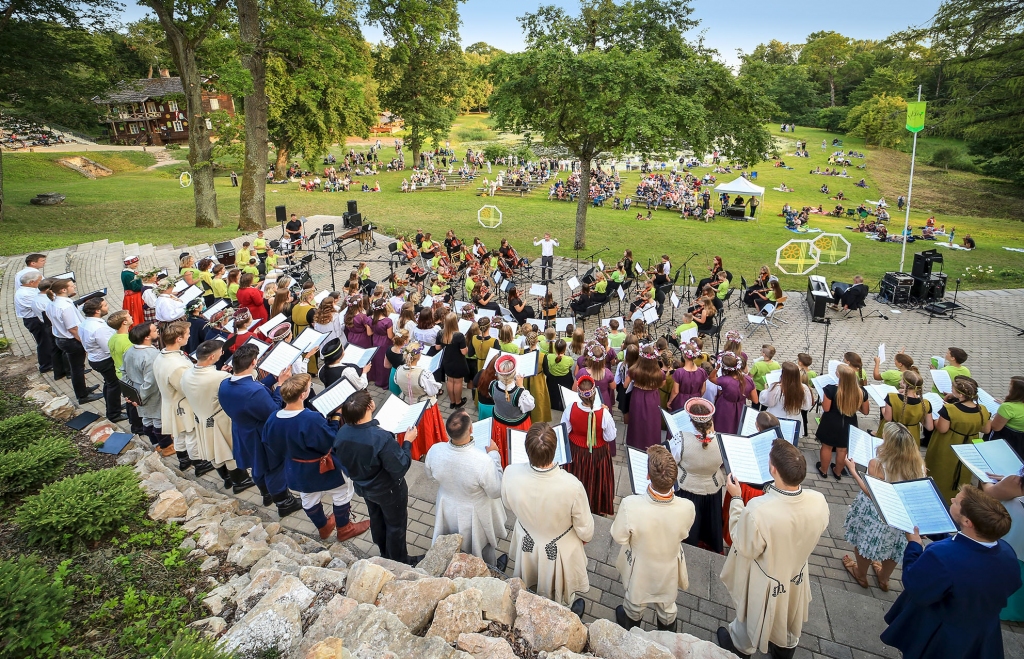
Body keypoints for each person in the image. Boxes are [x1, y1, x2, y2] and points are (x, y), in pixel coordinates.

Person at [716, 440, 830, 659]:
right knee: (788, 617)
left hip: (765, 578)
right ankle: (785, 648)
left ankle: (741, 648)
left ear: (773, 469)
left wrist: (737, 498)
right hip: (796, 574)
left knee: (751, 617)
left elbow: (745, 545)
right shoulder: (819, 500)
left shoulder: (759, 510)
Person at [881, 485, 1020, 658]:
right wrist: (938, 534)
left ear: (968, 521)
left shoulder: (940, 555)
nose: (952, 500)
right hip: (978, 631)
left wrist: (914, 545)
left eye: (957, 501)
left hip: (940, 634)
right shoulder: (1007, 551)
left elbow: (914, 585)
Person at [262, 374, 371, 541]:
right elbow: (330, 439)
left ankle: (323, 527)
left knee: (308, 498)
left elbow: (269, 443)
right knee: (342, 493)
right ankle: (344, 528)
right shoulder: (310, 418)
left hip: (296, 468)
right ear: (303, 395)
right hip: (324, 467)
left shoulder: (272, 418)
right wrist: (336, 417)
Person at [500, 423, 593, 615]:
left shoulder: (510, 472)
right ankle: (564, 611)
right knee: (560, 592)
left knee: (528, 583)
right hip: (558, 548)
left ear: (527, 451)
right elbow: (586, 531)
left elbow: (508, 504)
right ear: (555, 450)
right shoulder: (572, 486)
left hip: (527, 539)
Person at [611, 444, 695, 631]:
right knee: (667, 606)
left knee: (634, 603)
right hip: (668, 565)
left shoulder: (630, 504)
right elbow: (684, 532)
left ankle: (632, 630)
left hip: (640, 566)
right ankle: (666, 636)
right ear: (674, 478)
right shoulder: (688, 506)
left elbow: (619, 537)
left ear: (648, 476)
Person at [335, 389, 422, 566]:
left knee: (376, 518)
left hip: (364, 487)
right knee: (396, 525)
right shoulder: (380, 438)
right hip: (388, 490)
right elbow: (400, 467)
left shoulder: (342, 432)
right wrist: (407, 442)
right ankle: (399, 560)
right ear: (369, 406)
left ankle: (383, 550)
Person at [219, 344, 303, 516]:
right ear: (253, 363)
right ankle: (284, 503)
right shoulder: (254, 391)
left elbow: (253, 391)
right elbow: (274, 412)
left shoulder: (225, 384)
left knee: (257, 467)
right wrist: (280, 386)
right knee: (273, 468)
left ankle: (266, 494)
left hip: (242, 431)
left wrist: (272, 379)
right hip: (261, 434)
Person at [842, 423, 926, 591]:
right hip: (901, 515)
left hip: (877, 513)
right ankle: (884, 579)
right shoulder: (919, 466)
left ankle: (860, 573)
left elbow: (870, 492)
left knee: (864, 541)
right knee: (895, 547)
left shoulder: (878, 464)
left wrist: (853, 470)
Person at [423, 409, 507, 563]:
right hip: (475, 511)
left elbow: (430, 475)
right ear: (471, 429)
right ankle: (490, 570)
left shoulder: (435, 450)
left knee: (451, 541)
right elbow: (495, 491)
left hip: (447, 506)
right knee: (482, 546)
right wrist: (495, 455)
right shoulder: (483, 461)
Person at [668, 399, 726, 553]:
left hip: (687, 487)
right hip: (712, 488)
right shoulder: (721, 440)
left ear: (691, 420)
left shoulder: (681, 438)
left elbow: (672, 460)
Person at [927, 377, 992, 503]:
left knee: (941, 471)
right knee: (963, 473)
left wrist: (935, 420)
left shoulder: (950, 409)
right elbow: (986, 430)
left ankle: (938, 497)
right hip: (969, 448)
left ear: (960, 394)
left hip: (947, 445)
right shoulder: (982, 409)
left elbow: (942, 429)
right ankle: (957, 498)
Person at [561, 374, 617, 516]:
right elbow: (610, 436)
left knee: (577, 477)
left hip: (576, 452)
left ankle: (574, 506)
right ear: (594, 393)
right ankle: (595, 506)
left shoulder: (570, 408)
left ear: (579, 395)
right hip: (598, 454)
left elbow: (564, 431)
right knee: (596, 481)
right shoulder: (604, 413)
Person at [153, 321, 203, 474]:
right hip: (183, 404)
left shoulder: (162, 355)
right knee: (191, 434)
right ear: (178, 339)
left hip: (171, 401)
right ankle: (199, 464)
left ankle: (183, 460)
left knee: (179, 434)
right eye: (187, 334)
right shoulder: (177, 366)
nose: (189, 336)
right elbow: (187, 388)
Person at [178, 340, 229, 481]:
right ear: (212, 357)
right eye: (220, 352)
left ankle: (226, 479)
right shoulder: (220, 377)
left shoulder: (186, 374)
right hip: (220, 419)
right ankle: (239, 480)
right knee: (227, 451)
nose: (222, 353)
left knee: (211, 451)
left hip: (200, 418)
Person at [46, 279, 101, 404]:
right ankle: (82, 395)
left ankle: (84, 389)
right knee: (77, 368)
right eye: (71, 285)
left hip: (61, 338)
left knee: (77, 367)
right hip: (71, 340)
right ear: (63, 290)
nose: (74, 286)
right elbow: (73, 328)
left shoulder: (53, 303)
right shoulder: (65, 306)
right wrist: (84, 342)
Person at [123, 322, 173, 454]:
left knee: (146, 418)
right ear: (146, 337)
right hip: (150, 393)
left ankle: (155, 443)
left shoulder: (129, 350)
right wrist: (140, 398)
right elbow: (150, 382)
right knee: (158, 419)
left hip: (136, 389)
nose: (157, 330)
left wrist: (131, 393)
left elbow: (124, 372)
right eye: (153, 330)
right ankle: (166, 445)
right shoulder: (152, 355)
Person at [395, 342, 448, 460]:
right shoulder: (424, 373)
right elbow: (432, 391)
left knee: (410, 429)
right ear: (418, 356)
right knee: (426, 431)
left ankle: (414, 451)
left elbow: (397, 382)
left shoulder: (399, 370)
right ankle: (428, 451)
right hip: (424, 408)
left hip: (406, 406)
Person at [816, 364, 869, 481]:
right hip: (849, 422)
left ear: (839, 375)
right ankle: (838, 472)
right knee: (843, 449)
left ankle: (823, 470)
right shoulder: (861, 391)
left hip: (831, 422)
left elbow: (826, 408)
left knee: (827, 447)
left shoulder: (831, 389)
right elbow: (865, 411)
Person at [79, 297, 124, 422]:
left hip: (95, 358)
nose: (107, 306)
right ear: (97, 311)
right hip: (105, 360)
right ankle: (114, 414)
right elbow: (109, 348)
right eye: (105, 305)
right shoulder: (99, 328)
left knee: (109, 384)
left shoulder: (87, 322)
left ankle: (114, 407)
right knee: (114, 386)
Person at [490, 354, 535, 466]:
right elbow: (530, 406)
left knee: (502, 448)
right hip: (517, 427)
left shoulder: (492, 385)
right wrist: (521, 386)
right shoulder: (520, 393)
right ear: (514, 374)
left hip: (499, 425)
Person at [625, 345, 666, 450]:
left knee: (636, 420)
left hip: (637, 396)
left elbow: (625, 385)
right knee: (652, 421)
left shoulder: (634, 370)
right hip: (652, 397)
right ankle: (651, 444)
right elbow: (662, 385)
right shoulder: (660, 373)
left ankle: (635, 444)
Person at [760, 362, 812, 440]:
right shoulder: (803, 388)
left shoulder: (776, 387)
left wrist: (765, 391)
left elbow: (769, 403)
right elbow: (806, 406)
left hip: (776, 419)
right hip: (794, 420)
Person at [879, 370, 932, 446]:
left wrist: (883, 407)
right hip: (912, 437)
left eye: (901, 380)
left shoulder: (892, 397)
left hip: (893, 433)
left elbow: (888, 418)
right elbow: (929, 427)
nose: (900, 381)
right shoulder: (926, 403)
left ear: (904, 383)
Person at [14, 271, 53, 373]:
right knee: (44, 342)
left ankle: (51, 361)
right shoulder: (24, 294)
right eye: (39, 280)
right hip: (34, 320)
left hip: (38, 318)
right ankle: (46, 365)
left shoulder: (31, 289)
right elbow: (38, 305)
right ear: (31, 282)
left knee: (47, 341)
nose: (41, 282)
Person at [710, 352, 757, 434]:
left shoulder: (724, 380)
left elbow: (711, 378)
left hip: (724, 407)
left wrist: (717, 368)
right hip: (741, 406)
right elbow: (755, 400)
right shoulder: (748, 380)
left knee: (723, 427)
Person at [436, 312, 469, 408]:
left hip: (447, 361)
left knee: (450, 380)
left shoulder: (440, 333)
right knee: (458, 382)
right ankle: (458, 402)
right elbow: (464, 352)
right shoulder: (459, 336)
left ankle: (452, 402)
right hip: (458, 362)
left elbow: (437, 347)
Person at [991, 376, 1024, 455]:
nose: (1009, 388)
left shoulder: (1008, 407)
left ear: (1016, 391)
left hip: (1007, 439)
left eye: (1011, 386)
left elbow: (995, 427)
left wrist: (988, 417)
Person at [121, 256, 145, 326]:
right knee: (136, 313)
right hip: (134, 297)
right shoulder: (128, 274)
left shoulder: (127, 272)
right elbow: (134, 287)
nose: (137, 265)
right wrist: (144, 286)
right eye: (135, 263)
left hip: (133, 296)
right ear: (129, 264)